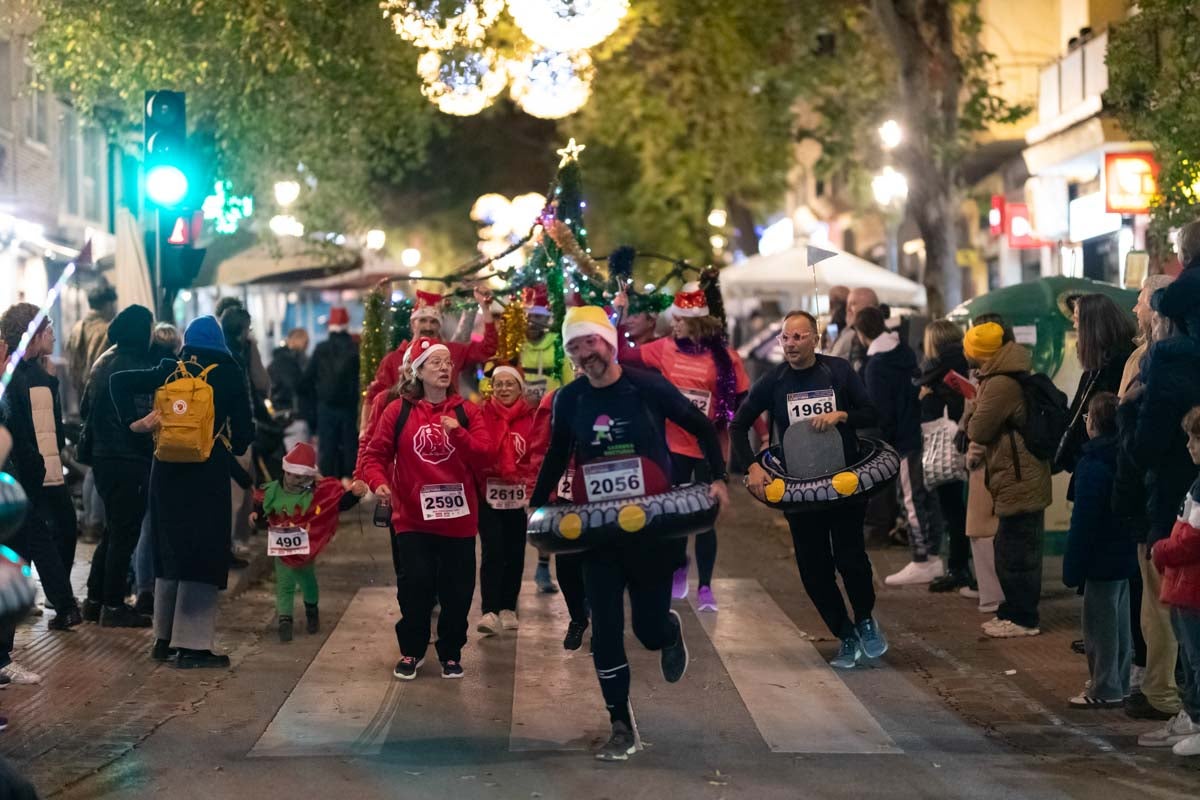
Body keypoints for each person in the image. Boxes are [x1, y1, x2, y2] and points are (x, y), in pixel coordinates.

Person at [529, 306, 729, 761]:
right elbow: (558, 454)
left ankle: (667, 632)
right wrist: (537, 504)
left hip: (653, 531)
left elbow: (700, 426)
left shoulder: (646, 386)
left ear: (608, 342)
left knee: (648, 628)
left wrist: (718, 478)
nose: (585, 353)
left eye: (591, 342)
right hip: (598, 531)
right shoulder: (570, 399)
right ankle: (620, 725)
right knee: (605, 628)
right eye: (575, 346)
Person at [732, 310, 886, 669]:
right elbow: (738, 426)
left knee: (851, 559)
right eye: (785, 338)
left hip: (845, 483)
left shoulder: (839, 372)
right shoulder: (773, 381)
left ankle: (865, 619)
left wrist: (841, 415)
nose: (790, 344)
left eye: (799, 337)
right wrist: (752, 465)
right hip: (800, 493)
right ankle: (845, 634)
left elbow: (873, 414)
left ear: (815, 338)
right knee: (813, 570)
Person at [110, 315, 254, 668]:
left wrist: (134, 426)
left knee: (169, 551)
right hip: (207, 473)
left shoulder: (170, 367)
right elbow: (245, 434)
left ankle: (162, 639)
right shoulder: (230, 372)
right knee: (203, 555)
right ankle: (192, 647)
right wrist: (230, 445)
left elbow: (117, 382)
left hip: (167, 472)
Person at [359, 337, 494, 681]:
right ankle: (412, 650)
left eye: (448, 362)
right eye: (435, 362)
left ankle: (450, 652)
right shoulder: (397, 410)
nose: (445, 367)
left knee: (457, 591)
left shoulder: (467, 411)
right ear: (418, 371)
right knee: (415, 586)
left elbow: (486, 455)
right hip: (412, 519)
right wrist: (379, 483)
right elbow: (375, 455)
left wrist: (458, 434)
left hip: (459, 521)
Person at [624, 283, 750, 610]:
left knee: (707, 517)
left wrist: (760, 438)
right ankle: (679, 564)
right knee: (677, 513)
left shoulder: (725, 357)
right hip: (673, 445)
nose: (674, 324)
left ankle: (706, 587)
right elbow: (622, 356)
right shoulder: (665, 347)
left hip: (710, 448)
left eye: (680, 319)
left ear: (695, 322)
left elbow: (744, 399)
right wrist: (619, 312)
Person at [1117, 275, 1181, 721]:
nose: (1137, 311)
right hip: (1156, 498)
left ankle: (1168, 697)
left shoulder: (1155, 360)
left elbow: (1140, 436)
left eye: (1142, 302)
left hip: (1157, 499)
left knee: (1161, 608)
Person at [963, 322, 1052, 638]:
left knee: (1018, 551)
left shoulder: (1000, 383)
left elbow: (978, 430)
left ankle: (1023, 618)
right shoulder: (1001, 377)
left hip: (1019, 476)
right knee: (1011, 546)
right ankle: (1013, 612)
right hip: (1015, 475)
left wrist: (975, 409)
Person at [0, 302, 81, 632]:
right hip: (27, 475)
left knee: (34, 539)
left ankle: (58, 603)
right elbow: (43, 435)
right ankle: (60, 604)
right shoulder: (31, 377)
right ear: (30, 335)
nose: (53, 335)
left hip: (24, 475)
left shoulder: (23, 374)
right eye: (47, 329)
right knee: (38, 539)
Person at [79, 304, 157, 628]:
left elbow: (85, 408)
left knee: (113, 530)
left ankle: (95, 600)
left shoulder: (103, 361)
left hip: (102, 457)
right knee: (125, 533)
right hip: (128, 458)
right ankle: (113, 605)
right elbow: (141, 417)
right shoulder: (136, 365)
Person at [857, 306, 946, 586]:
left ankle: (922, 559)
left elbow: (881, 412)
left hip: (904, 441)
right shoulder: (904, 354)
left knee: (911, 498)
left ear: (861, 334)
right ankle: (932, 555)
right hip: (920, 432)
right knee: (926, 496)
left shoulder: (876, 366)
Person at [1062, 392, 1137, 708]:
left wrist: (1072, 565)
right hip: (1124, 553)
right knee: (1121, 625)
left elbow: (1084, 520)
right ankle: (1118, 682)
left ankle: (1104, 688)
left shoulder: (1093, 464)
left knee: (1099, 625)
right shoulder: (1126, 455)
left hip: (1100, 558)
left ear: (1093, 424)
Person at [252, 442, 365, 642]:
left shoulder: (317, 494)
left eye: (298, 476)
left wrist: (353, 496)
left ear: (308, 477)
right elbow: (264, 506)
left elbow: (335, 504)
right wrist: (256, 515)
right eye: (290, 475)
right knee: (284, 583)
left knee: (307, 581)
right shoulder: (274, 490)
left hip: (306, 547)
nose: (293, 480)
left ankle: (311, 609)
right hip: (281, 547)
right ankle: (285, 619)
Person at [1142, 405, 1200, 755]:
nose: (1190, 446)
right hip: (1185, 588)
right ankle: (1193, 718)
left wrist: (1163, 550)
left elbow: (1193, 539)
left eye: (1196, 438)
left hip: (1193, 587)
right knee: (1191, 660)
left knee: (1196, 658)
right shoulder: (1195, 483)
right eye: (1190, 438)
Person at [528, 365, 590, 649]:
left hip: (607, 494)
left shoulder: (621, 397)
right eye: (577, 361)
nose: (582, 367)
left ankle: (602, 623)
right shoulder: (555, 399)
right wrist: (540, 494)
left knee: (603, 564)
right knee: (567, 566)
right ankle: (578, 617)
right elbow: (541, 449)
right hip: (565, 496)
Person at [476, 366, 538, 636]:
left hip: (519, 495)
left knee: (515, 551)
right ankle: (489, 610)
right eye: (498, 384)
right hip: (487, 493)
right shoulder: (480, 415)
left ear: (519, 388)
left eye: (509, 384)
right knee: (493, 549)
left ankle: (507, 607)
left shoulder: (532, 418)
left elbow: (537, 452)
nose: (502, 389)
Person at [364, 287, 497, 411]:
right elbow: (374, 399)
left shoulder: (453, 352)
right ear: (412, 324)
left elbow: (488, 348)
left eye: (434, 322)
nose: (428, 327)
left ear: (440, 326)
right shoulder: (393, 359)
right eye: (422, 320)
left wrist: (485, 308)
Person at [916, 319, 972, 593]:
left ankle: (959, 568)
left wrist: (927, 398)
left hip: (949, 447)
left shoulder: (938, 372)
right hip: (961, 444)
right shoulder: (965, 364)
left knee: (953, 511)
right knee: (957, 510)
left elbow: (948, 405)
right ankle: (959, 566)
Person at [1056, 294, 1136, 476]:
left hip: (1103, 469)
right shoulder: (1097, 369)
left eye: (1077, 320)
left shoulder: (1118, 368)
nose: (1074, 326)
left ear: (1092, 327)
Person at [302, 308, 360, 479]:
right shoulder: (355, 348)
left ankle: (327, 484)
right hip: (349, 407)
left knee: (327, 447)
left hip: (325, 407)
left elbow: (307, 379)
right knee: (350, 445)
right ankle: (349, 482)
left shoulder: (321, 349)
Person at [518, 285, 573, 404]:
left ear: (547, 319)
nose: (531, 321)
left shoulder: (558, 345)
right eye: (528, 316)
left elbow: (569, 383)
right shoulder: (517, 346)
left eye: (538, 316)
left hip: (551, 410)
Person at [67, 282, 117, 403]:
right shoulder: (109, 329)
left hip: (81, 394)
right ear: (108, 305)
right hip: (103, 395)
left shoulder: (76, 327)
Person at [269, 328, 314, 451]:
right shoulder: (295, 362)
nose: (307, 346)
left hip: (280, 416)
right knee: (298, 461)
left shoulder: (276, 360)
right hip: (296, 416)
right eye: (306, 342)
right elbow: (299, 386)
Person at [828, 286, 878, 374]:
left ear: (870, 308)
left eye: (853, 304)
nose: (847, 309)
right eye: (847, 304)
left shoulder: (867, 336)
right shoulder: (848, 331)